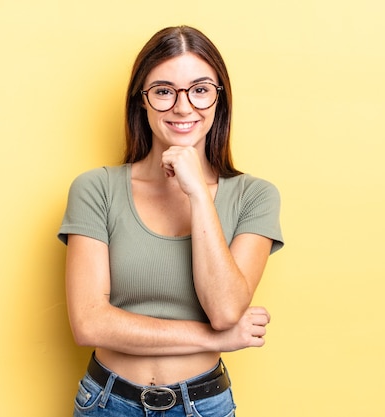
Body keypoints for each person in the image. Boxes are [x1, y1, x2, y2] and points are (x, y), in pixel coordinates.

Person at [58, 25, 284, 416]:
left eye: (200, 90)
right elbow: (90, 324)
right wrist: (218, 338)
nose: (183, 107)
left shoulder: (254, 196)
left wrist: (198, 193)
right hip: (106, 403)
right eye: (164, 91)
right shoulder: (96, 189)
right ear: (141, 101)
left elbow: (226, 310)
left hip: (204, 405)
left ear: (219, 100)